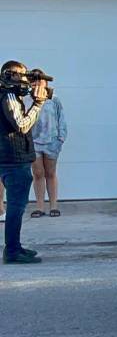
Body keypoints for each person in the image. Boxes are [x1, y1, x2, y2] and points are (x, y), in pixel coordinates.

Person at [0, 60, 48, 264]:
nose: (25, 80)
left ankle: (15, 247)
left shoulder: (10, 94)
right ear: (9, 76)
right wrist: (38, 104)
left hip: (11, 158)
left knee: (16, 207)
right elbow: (21, 125)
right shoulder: (8, 95)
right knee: (16, 207)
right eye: (21, 76)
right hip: (13, 159)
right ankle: (12, 251)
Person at [28, 70, 67, 218]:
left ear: (46, 82)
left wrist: (60, 139)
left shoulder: (54, 100)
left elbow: (61, 119)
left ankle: (53, 205)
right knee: (38, 174)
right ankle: (39, 206)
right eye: (34, 81)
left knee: (50, 173)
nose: (37, 84)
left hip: (51, 142)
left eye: (40, 81)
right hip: (34, 142)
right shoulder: (26, 99)